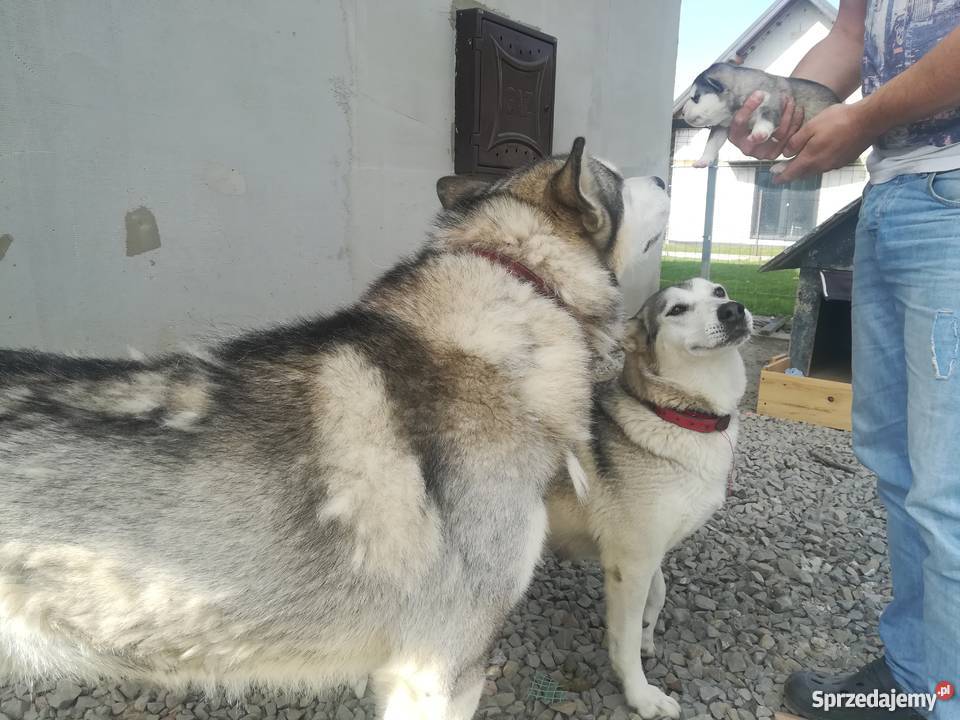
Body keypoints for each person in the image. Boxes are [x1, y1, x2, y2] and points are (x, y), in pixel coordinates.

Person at [726, 1, 960, 719]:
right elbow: (852, 32)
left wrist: (859, 120)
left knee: (948, 493)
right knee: (900, 468)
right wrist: (784, 106)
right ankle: (920, 677)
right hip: (892, 197)